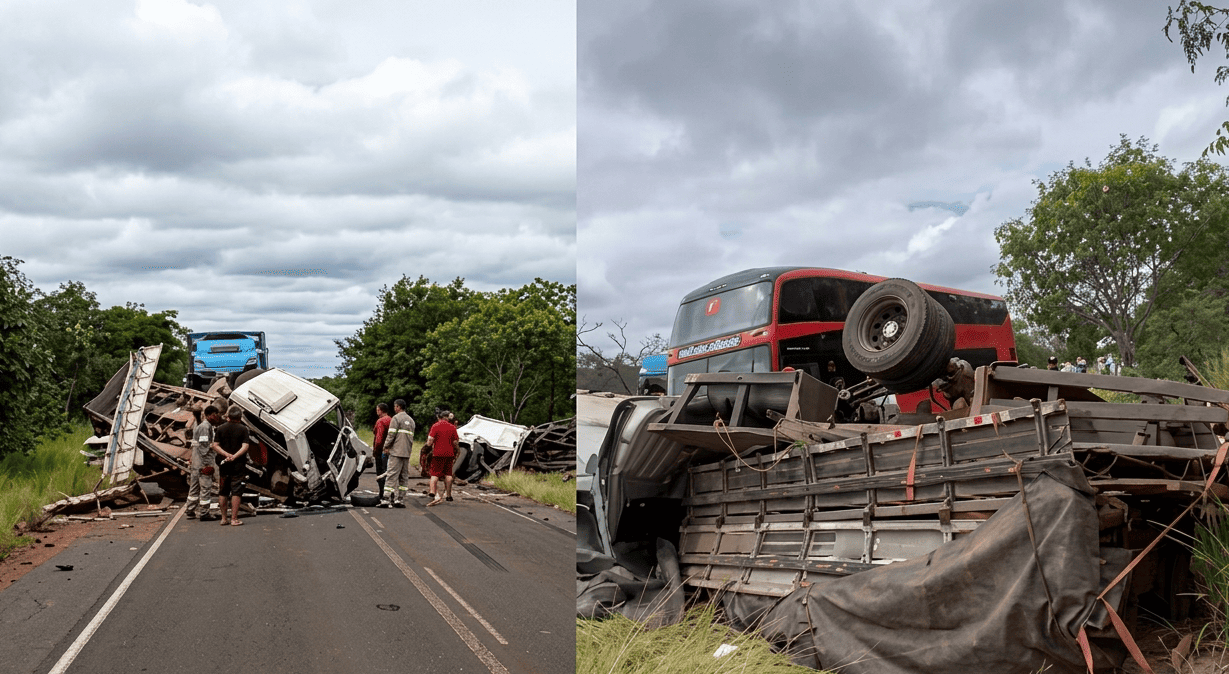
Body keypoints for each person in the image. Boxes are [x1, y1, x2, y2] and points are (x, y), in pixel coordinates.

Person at [212, 406, 251, 526]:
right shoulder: (243, 429)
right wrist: (234, 456)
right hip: (237, 465)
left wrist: (226, 454)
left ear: (228, 416)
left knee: (223, 491)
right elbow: (245, 446)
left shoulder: (220, 428)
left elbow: (215, 445)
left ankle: (224, 518)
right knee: (236, 492)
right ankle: (234, 519)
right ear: (239, 418)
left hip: (224, 464)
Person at [187, 406, 222, 521]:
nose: (217, 417)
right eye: (215, 414)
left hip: (197, 463)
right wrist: (207, 464)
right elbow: (204, 446)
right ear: (209, 415)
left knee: (194, 487)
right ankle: (204, 512)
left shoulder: (205, 426)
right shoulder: (205, 427)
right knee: (205, 488)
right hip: (202, 463)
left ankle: (190, 509)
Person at [382, 399, 415, 508]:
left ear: (398, 407)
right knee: (404, 476)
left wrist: (386, 446)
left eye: (395, 406)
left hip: (396, 452)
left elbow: (391, 435)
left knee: (391, 474)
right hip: (406, 452)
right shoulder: (411, 421)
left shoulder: (396, 419)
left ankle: (386, 499)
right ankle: (400, 499)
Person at [424, 409, 459, 507]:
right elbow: (455, 442)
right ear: (448, 418)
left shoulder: (435, 426)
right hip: (449, 454)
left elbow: (430, 440)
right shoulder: (452, 427)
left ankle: (432, 491)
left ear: (440, 417)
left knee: (434, 473)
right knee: (448, 474)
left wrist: (427, 446)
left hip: (438, 453)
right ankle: (448, 495)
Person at [372, 403, 392, 502]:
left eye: (377, 410)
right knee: (390, 473)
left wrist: (376, 450)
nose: (377, 412)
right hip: (391, 451)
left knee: (381, 473)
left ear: (380, 410)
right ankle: (391, 494)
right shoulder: (391, 420)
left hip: (382, 451)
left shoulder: (381, 421)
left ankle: (382, 495)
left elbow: (379, 439)